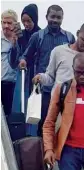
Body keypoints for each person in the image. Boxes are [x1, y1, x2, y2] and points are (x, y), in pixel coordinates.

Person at [19, 5, 75, 170]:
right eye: (52, 17)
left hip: (64, 100)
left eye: (59, 17)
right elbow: (26, 56)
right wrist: (23, 62)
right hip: (43, 96)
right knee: (42, 142)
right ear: (47, 17)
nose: (55, 20)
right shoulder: (38, 37)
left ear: (62, 18)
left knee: (58, 146)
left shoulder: (68, 37)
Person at [32, 21, 84, 93]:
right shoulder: (58, 51)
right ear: (77, 33)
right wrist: (41, 78)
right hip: (58, 102)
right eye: (83, 40)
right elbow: (50, 77)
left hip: (80, 102)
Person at [9, 4, 41, 136]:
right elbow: (13, 63)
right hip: (22, 79)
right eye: (24, 21)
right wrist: (15, 43)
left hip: (36, 80)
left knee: (34, 110)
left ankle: (32, 139)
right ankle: (18, 137)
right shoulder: (20, 36)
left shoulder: (41, 35)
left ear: (35, 19)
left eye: (29, 21)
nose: (26, 24)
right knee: (20, 107)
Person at [1, 10, 18, 116]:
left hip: (15, 85)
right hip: (1, 82)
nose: (6, 26)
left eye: (9, 23)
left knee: (10, 116)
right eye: (3, 22)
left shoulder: (19, 38)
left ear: (15, 24)